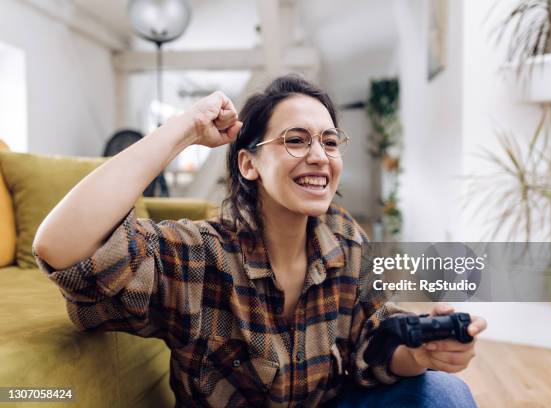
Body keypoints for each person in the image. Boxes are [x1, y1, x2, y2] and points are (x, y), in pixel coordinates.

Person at [33, 75, 486, 408]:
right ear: (249, 164)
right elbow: (62, 247)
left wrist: (419, 352)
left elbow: (372, 345)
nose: (318, 156)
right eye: (295, 140)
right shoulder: (201, 255)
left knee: (444, 392)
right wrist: (185, 130)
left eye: (329, 142)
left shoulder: (347, 239)